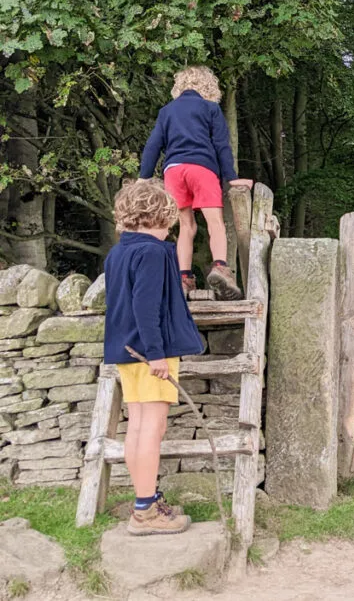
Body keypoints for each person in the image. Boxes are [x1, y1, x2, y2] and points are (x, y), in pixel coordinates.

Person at [104, 180, 204, 535]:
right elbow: (147, 308)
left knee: (138, 424)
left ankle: (144, 499)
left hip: (126, 351)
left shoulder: (117, 253)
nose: (169, 231)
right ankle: (146, 513)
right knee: (153, 427)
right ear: (154, 218)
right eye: (167, 223)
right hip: (150, 353)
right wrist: (157, 354)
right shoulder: (153, 252)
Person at [139, 65, 252, 300]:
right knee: (215, 224)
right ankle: (221, 267)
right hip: (202, 168)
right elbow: (222, 145)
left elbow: (152, 146)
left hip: (174, 171)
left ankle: (184, 278)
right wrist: (231, 178)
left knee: (186, 227)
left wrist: (144, 178)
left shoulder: (167, 111)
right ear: (209, 87)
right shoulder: (210, 108)